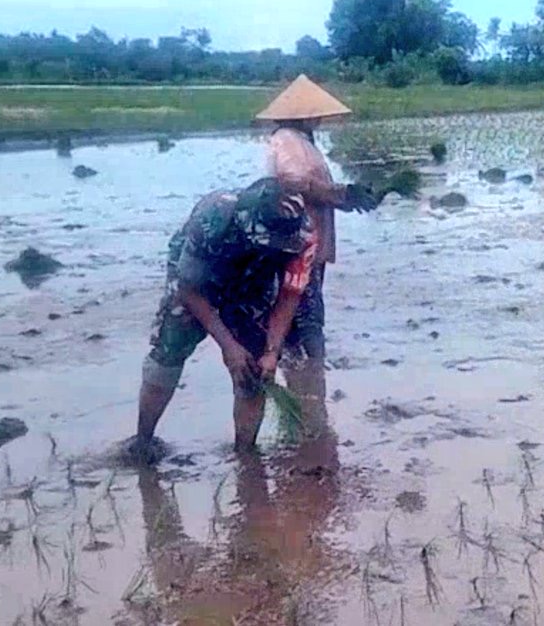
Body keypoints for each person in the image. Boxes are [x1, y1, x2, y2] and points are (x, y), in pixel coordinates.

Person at [128, 176, 319, 459]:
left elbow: (290, 295)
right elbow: (189, 289)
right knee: (170, 350)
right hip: (199, 277)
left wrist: (272, 350)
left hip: (254, 280)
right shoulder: (213, 217)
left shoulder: (303, 237)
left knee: (253, 370)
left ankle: (245, 454)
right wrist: (228, 346)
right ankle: (143, 442)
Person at [255, 75, 378, 361]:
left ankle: (302, 374)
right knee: (306, 313)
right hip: (299, 242)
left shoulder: (299, 140)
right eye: (316, 115)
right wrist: (341, 194)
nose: (320, 120)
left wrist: (347, 198)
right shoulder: (287, 140)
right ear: (304, 116)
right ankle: (313, 372)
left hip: (307, 241)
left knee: (300, 309)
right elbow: (294, 181)